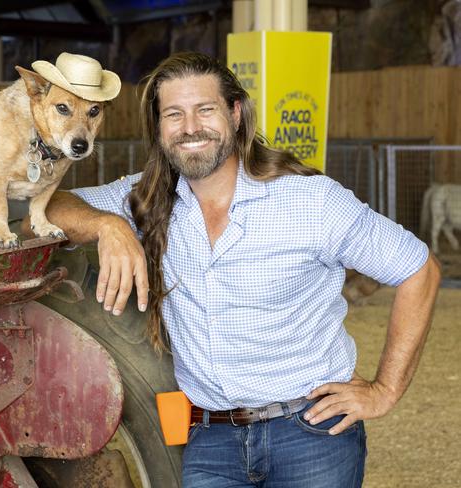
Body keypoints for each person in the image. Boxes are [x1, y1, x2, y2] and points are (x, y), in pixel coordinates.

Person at [22, 52, 441, 487]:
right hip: (210, 440)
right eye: (173, 114)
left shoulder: (310, 202)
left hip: (311, 433)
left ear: (236, 114)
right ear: (159, 128)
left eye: (205, 110)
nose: (190, 127)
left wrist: (384, 390)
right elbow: (44, 209)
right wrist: (106, 226)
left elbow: (418, 269)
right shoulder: (145, 200)